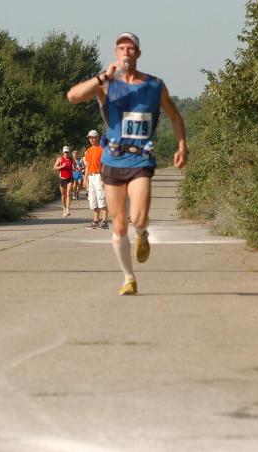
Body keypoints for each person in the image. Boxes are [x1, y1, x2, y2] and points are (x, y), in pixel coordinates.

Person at [66, 32, 188, 295]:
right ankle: (129, 278)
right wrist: (102, 77)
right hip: (113, 159)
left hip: (141, 158)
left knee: (139, 218)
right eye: (121, 48)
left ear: (138, 54)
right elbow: (73, 97)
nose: (126, 52)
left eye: (130, 48)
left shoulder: (154, 86)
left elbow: (175, 115)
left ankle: (142, 234)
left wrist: (182, 145)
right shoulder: (107, 85)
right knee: (119, 224)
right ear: (115, 53)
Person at [83, 129, 109, 230]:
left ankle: (105, 222)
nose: (91, 139)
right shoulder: (88, 151)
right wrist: (85, 179)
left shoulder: (102, 149)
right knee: (93, 200)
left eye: (93, 137)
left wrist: (103, 178)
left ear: (97, 137)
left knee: (101, 199)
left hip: (99, 176)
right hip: (91, 176)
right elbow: (87, 166)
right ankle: (95, 221)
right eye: (90, 138)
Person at [53, 145, 75, 218]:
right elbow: (54, 167)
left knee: (68, 193)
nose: (66, 153)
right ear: (63, 152)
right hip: (62, 178)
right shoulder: (60, 158)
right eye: (65, 152)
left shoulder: (71, 158)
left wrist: (75, 167)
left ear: (69, 152)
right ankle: (64, 208)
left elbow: (75, 166)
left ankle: (68, 209)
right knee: (63, 196)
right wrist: (62, 166)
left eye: (67, 152)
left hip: (70, 178)